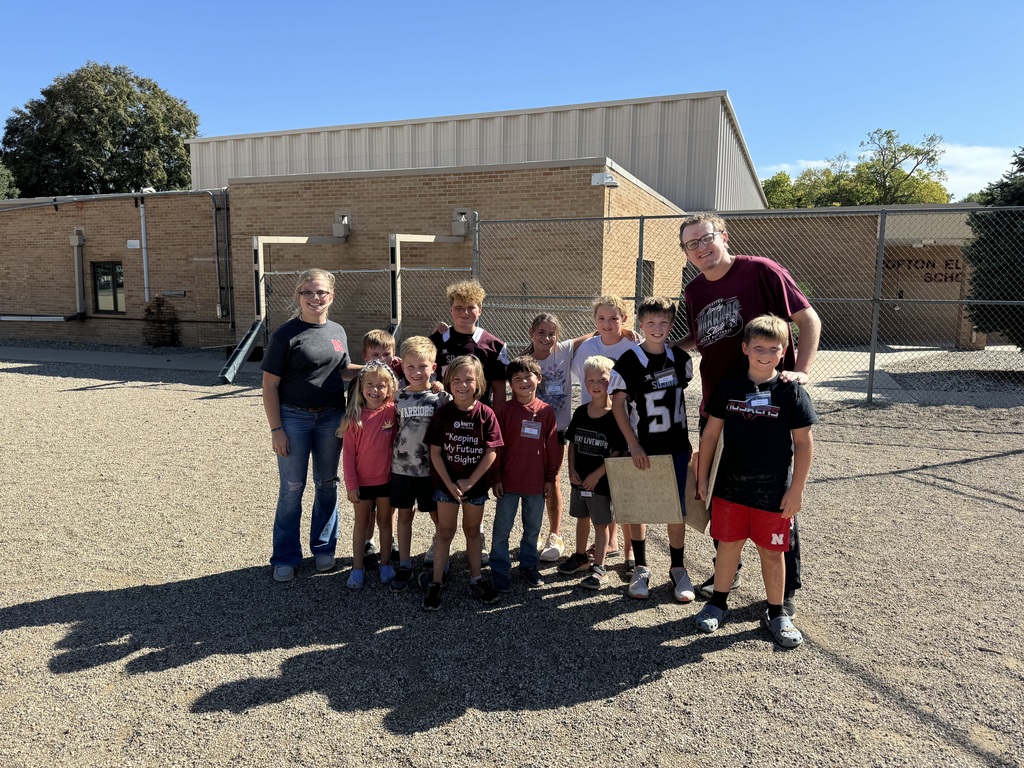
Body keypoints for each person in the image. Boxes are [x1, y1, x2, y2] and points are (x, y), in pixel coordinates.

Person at [677, 211, 821, 616]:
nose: (701, 248)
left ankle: (785, 590)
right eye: (691, 244)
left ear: (723, 236)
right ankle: (728, 570)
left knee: (775, 497)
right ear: (686, 252)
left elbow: (807, 318)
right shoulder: (695, 290)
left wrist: (802, 371)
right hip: (719, 405)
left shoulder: (761, 270)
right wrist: (659, 345)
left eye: (706, 238)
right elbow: (699, 337)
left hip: (769, 405)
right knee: (719, 493)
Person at [693, 315, 817, 648]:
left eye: (773, 348)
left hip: (773, 492)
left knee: (772, 553)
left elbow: (804, 443)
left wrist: (797, 490)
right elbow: (710, 435)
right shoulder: (729, 386)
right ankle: (718, 604)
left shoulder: (791, 392)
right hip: (730, 488)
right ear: (745, 348)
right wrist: (703, 477)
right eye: (758, 347)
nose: (765, 354)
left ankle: (777, 613)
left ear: (783, 351)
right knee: (728, 547)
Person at [261, 268, 360, 583]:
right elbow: (269, 386)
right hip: (294, 418)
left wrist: (376, 368)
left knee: (327, 484)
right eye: (307, 292)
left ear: (331, 296)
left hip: (331, 417)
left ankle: (323, 548)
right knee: (292, 489)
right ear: (298, 296)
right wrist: (277, 429)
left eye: (321, 292)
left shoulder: (337, 331)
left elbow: (341, 370)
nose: (314, 298)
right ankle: (285, 556)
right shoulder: (285, 335)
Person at [523, 312, 637, 563]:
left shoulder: (563, 349)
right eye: (541, 332)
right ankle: (532, 533)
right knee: (532, 479)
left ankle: (555, 534)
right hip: (531, 430)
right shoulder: (524, 361)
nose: (547, 338)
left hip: (558, 428)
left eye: (552, 333)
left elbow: (596, 333)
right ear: (531, 333)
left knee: (553, 478)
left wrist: (622, 332)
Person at [610, 297, 695, 602]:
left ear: (671, 325)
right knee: (639, 506)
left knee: (676, 509)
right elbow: (617, 406)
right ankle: (641, 567)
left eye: (663, 322)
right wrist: (633, 444)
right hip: (644, 446)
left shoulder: (680, 358)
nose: (657, 328)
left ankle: (678, 568)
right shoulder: (629, 360)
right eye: (651, 323)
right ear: (640, 324)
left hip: (676, 444)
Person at [428, 279, 509, 568]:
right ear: (450, 309)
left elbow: (499, 390)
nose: (464, 313)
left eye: (470, 308)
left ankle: (478, 534)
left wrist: (495, 425)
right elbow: (423, 373)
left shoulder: (493, 344)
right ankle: (440, 536)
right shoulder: (436, 341)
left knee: (476, 482)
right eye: (459, 308)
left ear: (480, 309)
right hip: (444, 421)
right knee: (442, 481)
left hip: (477, 423)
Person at [422, 355, 503, 611]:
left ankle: (476, 578)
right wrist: (449, 484)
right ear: (448, 382)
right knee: (445, 532)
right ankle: (436, 582)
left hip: (475, 487)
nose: (462, 385)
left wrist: (470, 481)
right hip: (446, 486)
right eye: (456, 380)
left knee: (472, 531)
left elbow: (491, 451)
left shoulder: (486, 414)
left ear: (479, 382)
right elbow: (435, 452)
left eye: (469, 379)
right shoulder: (443, 413)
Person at [570, 296, 638, 568]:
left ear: (624, 319)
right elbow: (578, 374)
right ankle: (610, 542)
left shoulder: (634, 345)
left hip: (625, 424)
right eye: (601, 319)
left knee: (625, 491)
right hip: (594, 423)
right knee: (603, 490)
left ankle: (631, 552)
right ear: (594, 320)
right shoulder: (588, 346)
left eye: (614, 318)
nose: (607, 324)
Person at [489, 356, 559, 591]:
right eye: (516, 378)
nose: (523, 382)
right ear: (510, 384)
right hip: (509, 481)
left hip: (536, 482)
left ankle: (529, 565)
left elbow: (552, 447)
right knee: (502, 529)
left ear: (538, 379)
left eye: (527, 376)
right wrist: (496, 477)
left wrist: (550, 478)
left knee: (532, 529)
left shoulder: (546, 411)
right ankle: (499, 569)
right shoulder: (504, 411)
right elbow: (497, 447)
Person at [560, 355, 628, 589]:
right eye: (590, 380)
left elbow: (618, 451)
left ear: (612, 382)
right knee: (582, 518)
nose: (596, 385)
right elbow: (573, 443)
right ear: (584, 383)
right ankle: (580, 556)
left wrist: (597, 475)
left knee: (601, 524)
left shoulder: (616, 415)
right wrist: (571, 469)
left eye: (602, 379)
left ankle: (599, 567)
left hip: (600, 483)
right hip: (579, 479)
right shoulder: (581, 412)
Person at [390, 336, 448, 593]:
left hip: (430, 470)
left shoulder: (440, 398)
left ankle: (442, 558)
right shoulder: (397, 398)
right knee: (404, 515)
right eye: (410, 367)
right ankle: (404, 564)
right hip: (402, 468)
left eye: (422, 366)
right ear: (402, 367)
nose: (416, 372)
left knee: (438, 517)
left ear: (433, 367)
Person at [340, 360, 399, 589]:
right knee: (361, 524)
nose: (375, 390)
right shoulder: (354, 418)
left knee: (385, 522)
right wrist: (351, 485)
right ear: (361, 387)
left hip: (387, 481)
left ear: (389, 388)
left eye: (381, 385)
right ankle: (357, 567)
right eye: (370, 385)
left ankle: (385, 564)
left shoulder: (393, 411)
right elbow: (348, 456)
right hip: (362, 483)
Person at [356, 329, 404, 567]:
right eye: (375, 354)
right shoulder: (360, 385)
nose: (381, 359)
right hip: (367, 460)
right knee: (369, 507)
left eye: (386, 354)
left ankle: (390, 538)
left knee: (388, 505)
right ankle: (368, 541)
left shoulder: (399, 380)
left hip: (390, 457)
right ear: (365, 356)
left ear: (394, 355)